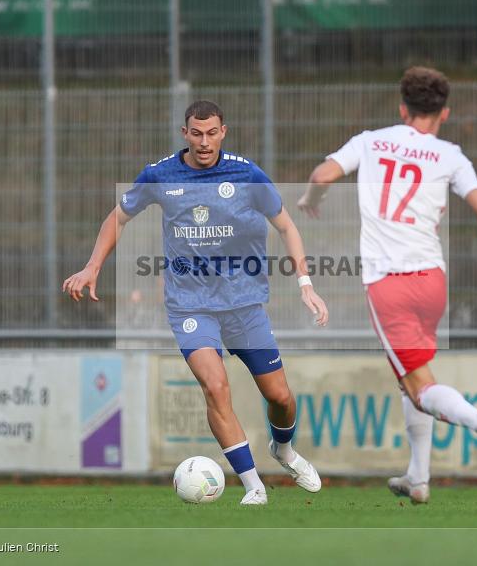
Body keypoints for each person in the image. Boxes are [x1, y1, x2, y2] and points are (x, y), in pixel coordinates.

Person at [64, 100, 328, 505]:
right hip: (191, 306)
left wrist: (306, 283)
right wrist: (92, 266)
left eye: (212, 133)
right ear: (185, 133)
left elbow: (287, 226)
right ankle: (254, 485)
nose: (204, 142)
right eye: (196, 133)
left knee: (279, 397)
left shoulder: (247, 173)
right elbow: (117, 218)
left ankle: (284, 450)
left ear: (224, 132)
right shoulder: (160, 174)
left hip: (244, 304)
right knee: (215, 385)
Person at [298, 66, 477, 504]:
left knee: (420, 388)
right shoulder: (451, 155)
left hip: (389, 285)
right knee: (410, 379)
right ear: (445, 114)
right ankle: (418, 479)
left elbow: (322, 176)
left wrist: (310, 199)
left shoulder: (370, 141)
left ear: (402, 109)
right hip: (432, 283)